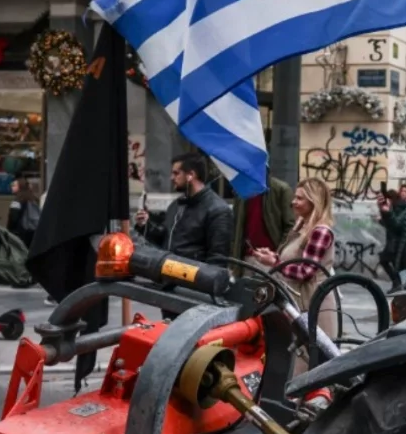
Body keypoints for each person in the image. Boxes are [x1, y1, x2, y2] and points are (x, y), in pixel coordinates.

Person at [252, 178, 339, 365]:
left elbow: (305, 271)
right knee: (298, 358)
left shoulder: (320, 231)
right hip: (298, 302)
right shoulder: (302, 226)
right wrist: (274, 256)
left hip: (314, 302)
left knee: (313, 360)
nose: (293, 202)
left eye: (300, 198)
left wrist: (274, 262)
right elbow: (294, 258)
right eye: (295, 197)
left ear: (313, 201)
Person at [134, 152, 234, 264]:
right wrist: (145, 225)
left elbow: (218, 259)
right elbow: (166, 241)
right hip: (169, 275)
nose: (172, 178)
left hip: (193, 278)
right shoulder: (176, 205)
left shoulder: (218, 210)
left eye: (176, 173)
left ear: (190, 175)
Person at [231, 169, 296, 265]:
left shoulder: (281, 189)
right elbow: (235, 225)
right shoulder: (241, 190)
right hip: (245, 257)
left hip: (271, 257)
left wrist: (278, 253)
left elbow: (291, 226)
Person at [377, 186, 406, 293]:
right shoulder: (399, 206)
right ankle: (398, 283)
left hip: (394, 242)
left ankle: (397, 283)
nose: (403, 193)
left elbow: (395, 224)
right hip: (394, 241)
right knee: (392, 263)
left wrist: (384, 217)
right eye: (402, 191)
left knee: (388, 261)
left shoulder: (399, 207)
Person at [7, 176, 41, 250]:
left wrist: (9, 232)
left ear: (20, 187)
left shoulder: (17, 201)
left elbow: (13, 218)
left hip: (20, 234)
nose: (11, 187)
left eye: (14, 185)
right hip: (32, 232)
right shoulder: (34, 199)